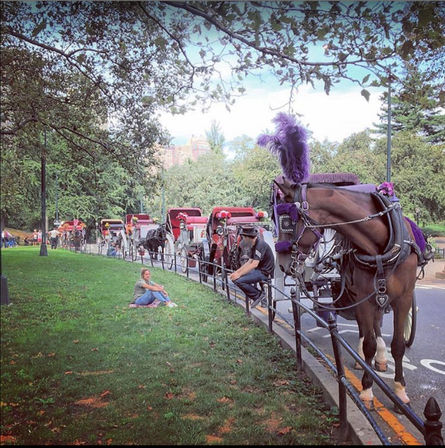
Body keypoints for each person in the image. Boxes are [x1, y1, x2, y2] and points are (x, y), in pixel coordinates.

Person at [229, 225, 275, 309]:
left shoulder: (260, 245)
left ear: (247, 237)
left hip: (265, 272)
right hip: (259, 269)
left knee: (239, 281)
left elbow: (254, 264)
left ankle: (258, 295)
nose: (242, 239)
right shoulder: (253, 244)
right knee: (236, 278)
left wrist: (239, 275)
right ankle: (260, 296)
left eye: (243, 237)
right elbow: (250, 261)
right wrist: (237, 272)